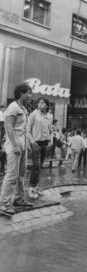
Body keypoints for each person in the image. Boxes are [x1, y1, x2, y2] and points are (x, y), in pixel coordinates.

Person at [0, 83, 33, 215]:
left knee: (21, 174)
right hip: (15, 145)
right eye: (28, 93)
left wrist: (27, 144)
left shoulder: (23, 108)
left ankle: (18, 198)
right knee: (12, 175)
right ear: (22, 93)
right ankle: (3, 204)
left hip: (23, 145)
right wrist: (15, 145)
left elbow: (24, 129)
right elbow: (9, 127)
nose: (30, 96)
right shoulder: (13, 107)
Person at [27, 97, 51, 199]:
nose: (40, 104)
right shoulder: (33, 115)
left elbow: (49, 130)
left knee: (39, 166)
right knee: (36, 166)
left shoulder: (48, 116)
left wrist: (50, 141)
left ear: (46, 105)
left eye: (43, 103)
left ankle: (36, 187)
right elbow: (27, 130)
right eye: (39, 102)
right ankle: (31, 188)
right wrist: (32, 142)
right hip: (35, 143)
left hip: (44, 143)